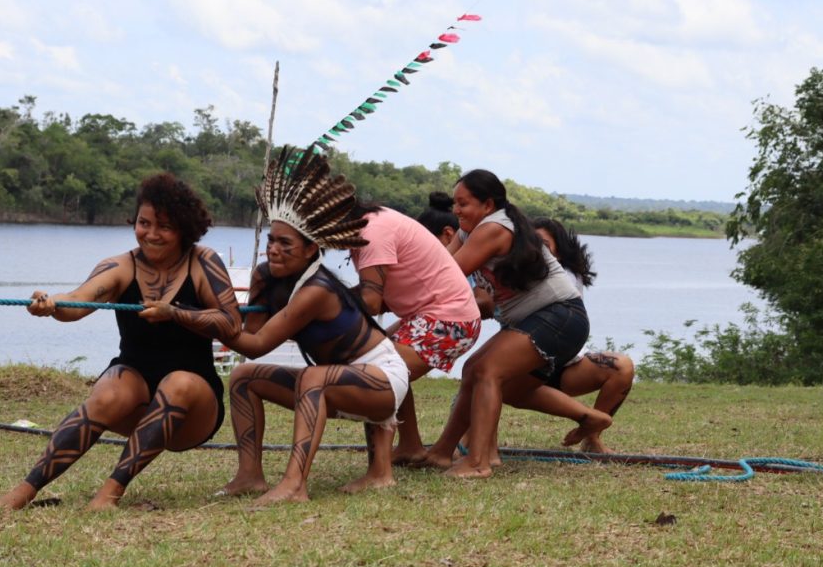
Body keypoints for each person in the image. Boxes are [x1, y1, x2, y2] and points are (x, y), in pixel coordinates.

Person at [0, 173, 241, 511]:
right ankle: (22, 493)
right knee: (108, 392)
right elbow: (78, 301)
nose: (151, 234)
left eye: (164, 226)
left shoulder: (202, 262)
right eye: (144, 223)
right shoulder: (121, 266)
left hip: (194, 408)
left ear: (184, 228)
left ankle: (108, 496)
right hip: (134, 396)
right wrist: (51, 304)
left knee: (178, 383)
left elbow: (232, 323)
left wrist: (176, 314)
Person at [217, 146, 410, 505]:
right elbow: (251, 335)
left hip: (382, 379)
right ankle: (249, 476)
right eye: (271, 240)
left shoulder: (317, 291)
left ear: (310, 250)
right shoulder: (267, 275)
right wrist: (256, 287)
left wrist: (198, 318)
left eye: (284, 243)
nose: (273, 249)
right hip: (336, 380)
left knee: (313, 377)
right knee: (243, 378)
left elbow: (255, 345)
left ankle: (294, 485)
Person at [422, 169, 614, 477]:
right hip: (540, 319)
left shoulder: (495, 227)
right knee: (472, 370)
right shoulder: (468, 231)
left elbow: (447, 277)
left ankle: (479, 462)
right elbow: (438, 265)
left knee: (487, 371)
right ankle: (441, 453)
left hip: (560, 316)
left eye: (464, 203)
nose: (456, 210)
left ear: (488, 204)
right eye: (455, 203)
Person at [348, 193, 481, 481]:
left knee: (378, 371)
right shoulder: (373, 223)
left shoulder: (372, 232)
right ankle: (410, 445)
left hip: (448, 319)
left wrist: (315, 300)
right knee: (386, 355)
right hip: (435, 315)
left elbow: (371, 301)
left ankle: (379, 471)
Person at [530, 217, 635, 436]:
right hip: (523, 367)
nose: (538, 250)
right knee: (485, 374)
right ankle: (472, 443)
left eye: (545, 245)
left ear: (558, 252)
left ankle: (591, 435)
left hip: (565, 366)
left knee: (622, 367)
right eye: (532, 243)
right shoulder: (514, 274)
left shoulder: (567, 277)